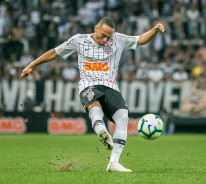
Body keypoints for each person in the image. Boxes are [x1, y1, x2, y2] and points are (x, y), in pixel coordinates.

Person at [20, 17, 165, 172]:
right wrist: (31, 65)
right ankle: (101, 130)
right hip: (88, 85)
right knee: (95, 108)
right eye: (102, 35)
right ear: (96, 28)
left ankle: (113, 163)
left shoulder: (118, 39)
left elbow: (141, 40)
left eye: (108, 37)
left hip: (110, 86)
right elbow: (54, 53)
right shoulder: (79, 40)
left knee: (123, 117)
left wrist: (155, 29)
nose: (105, 40)